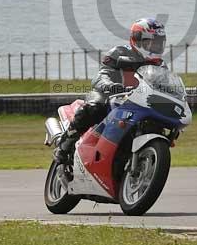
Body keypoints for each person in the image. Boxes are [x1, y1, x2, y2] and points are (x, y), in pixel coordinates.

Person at [54, 17, 166, 164]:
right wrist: (110, 85)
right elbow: (102, 74)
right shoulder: (119, 52)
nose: (155, 46)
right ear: (137, 40)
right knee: (95, 107)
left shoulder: (160, 65)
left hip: (138, 103)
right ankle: (65, 144)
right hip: (111, 95)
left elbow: (165, 85)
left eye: (158, 42)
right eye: (151, 42)